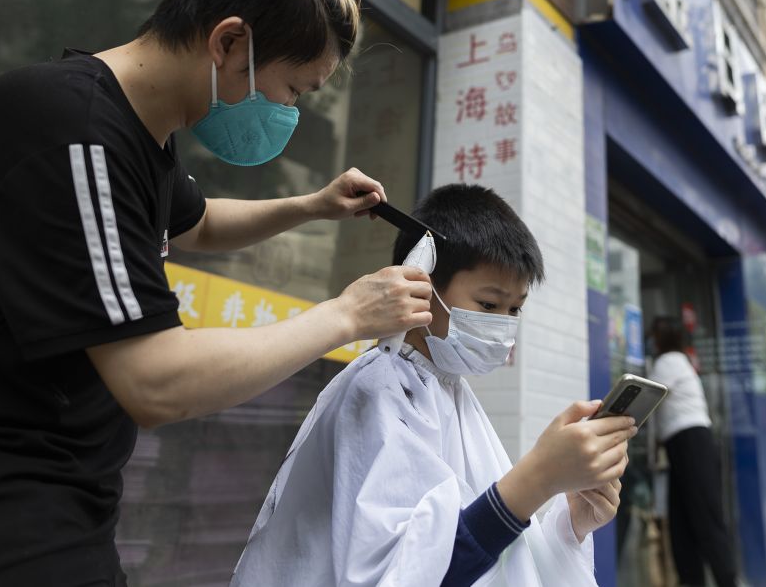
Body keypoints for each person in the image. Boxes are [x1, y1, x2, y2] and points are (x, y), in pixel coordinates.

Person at [0, 0, 435, 587]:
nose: (289, 113)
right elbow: (154, 381)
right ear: (229, 42)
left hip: (62, 497)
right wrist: (347, 315)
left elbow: (194, 225)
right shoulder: (72, 132)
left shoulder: (141, 136)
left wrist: (312, 205)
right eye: (293, 90)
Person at [231, 184, 637, 586]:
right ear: (421, 283)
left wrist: (572, 526)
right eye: (489, 305)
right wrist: (538, 477)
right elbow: (408, 574)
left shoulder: (446, 389)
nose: (504, 323)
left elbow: (488, 549)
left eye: (516, 308)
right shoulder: (382, 391)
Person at [648, 317, 737, 587]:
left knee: (705, 521)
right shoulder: (681, 361)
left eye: (653, 336)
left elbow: (649, 398)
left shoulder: (669, 362)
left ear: (661, 339)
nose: (650, 341)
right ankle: (692, 580)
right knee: (682, 524)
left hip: (691, 443)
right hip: (685, 446)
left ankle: (726, 581)